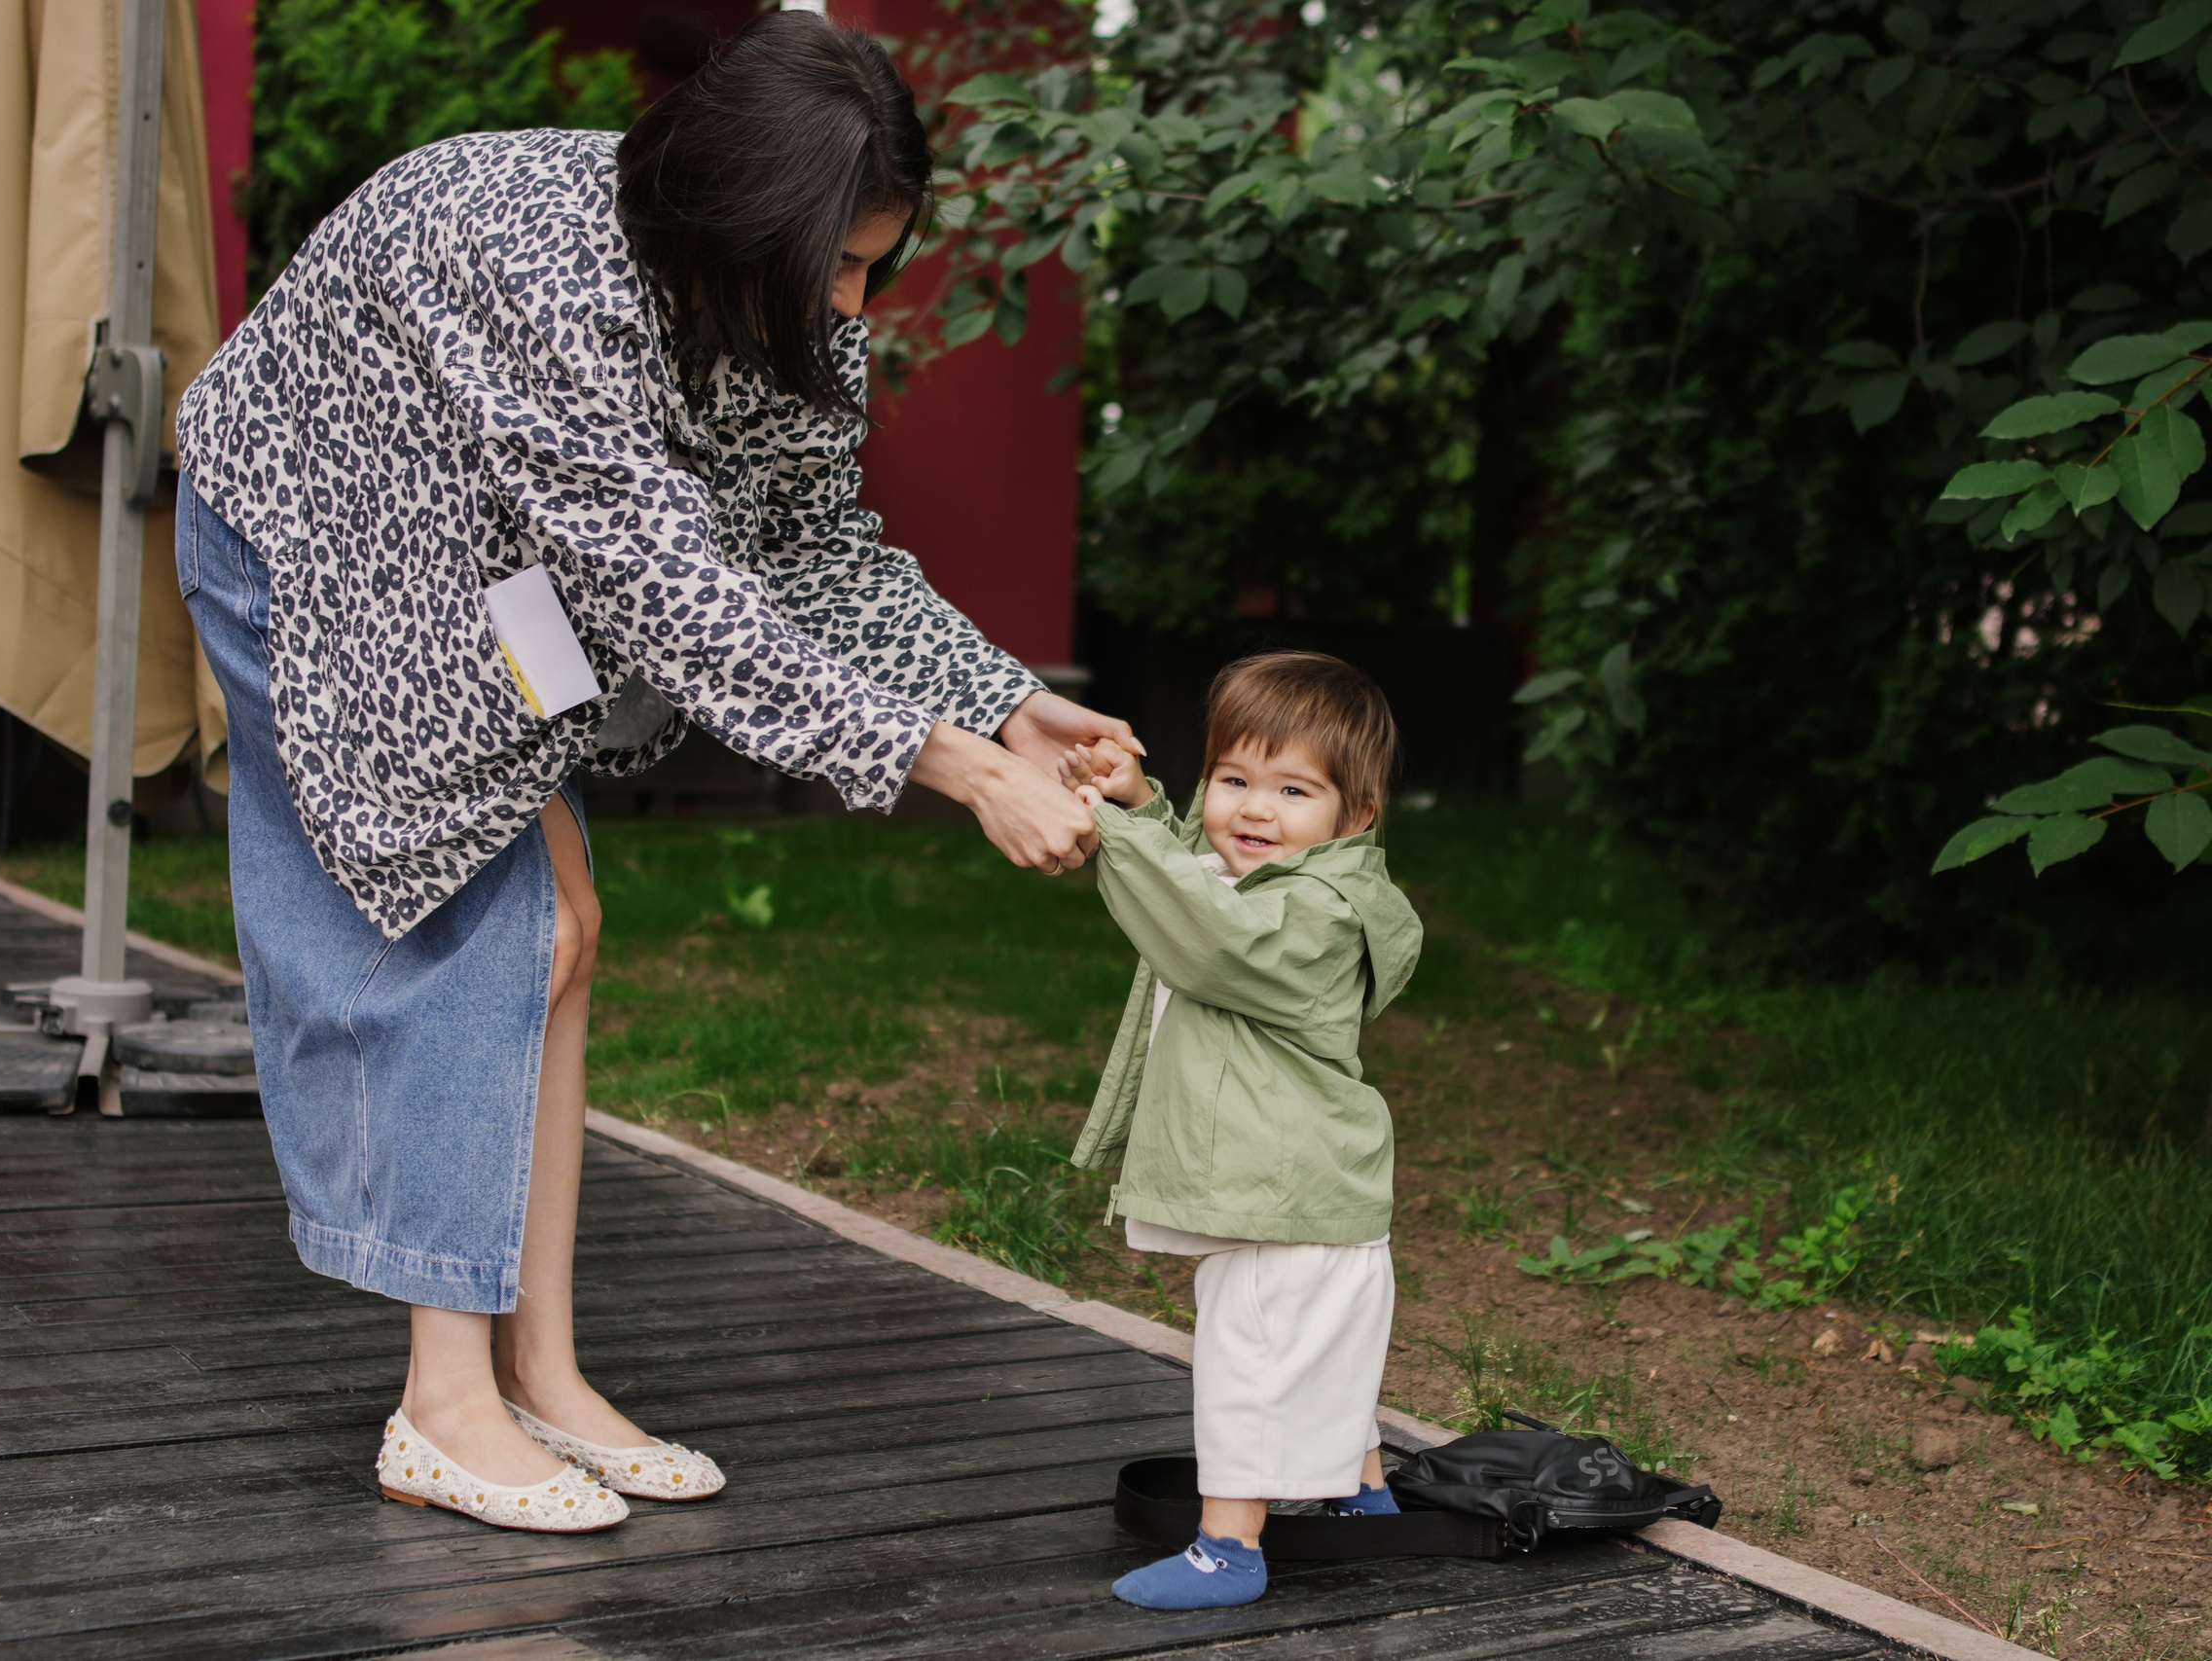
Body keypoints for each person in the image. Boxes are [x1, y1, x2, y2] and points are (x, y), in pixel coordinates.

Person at [174, 12, 1135, 1535]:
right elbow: (679, 602)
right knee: (471, 937)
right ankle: (441, 1399)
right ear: (737, 214)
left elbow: (809, 549)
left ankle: (540, 1370)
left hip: (496, 560)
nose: (852, 303)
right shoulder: (544, 271)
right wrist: (950, 765)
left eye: (874, 265)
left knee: (567, 928)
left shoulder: (790, 300)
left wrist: (1010, 701)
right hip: (326, 526)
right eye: (837, 265)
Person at [1058, 652, 1422, 1607]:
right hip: (1304, 1186)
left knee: (1249, 1367)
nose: (1254, 810)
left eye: (1293, 790)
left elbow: (1206, 934)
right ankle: (1363, 1499)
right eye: (1233, 780)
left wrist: (1111, 830)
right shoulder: (1275, 881)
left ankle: (1229, 1550)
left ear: (1357, 816)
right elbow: (1201, 882)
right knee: (1314, 1356)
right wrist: (1141, 803)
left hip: (1285, 1196)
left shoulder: (1313, 914)